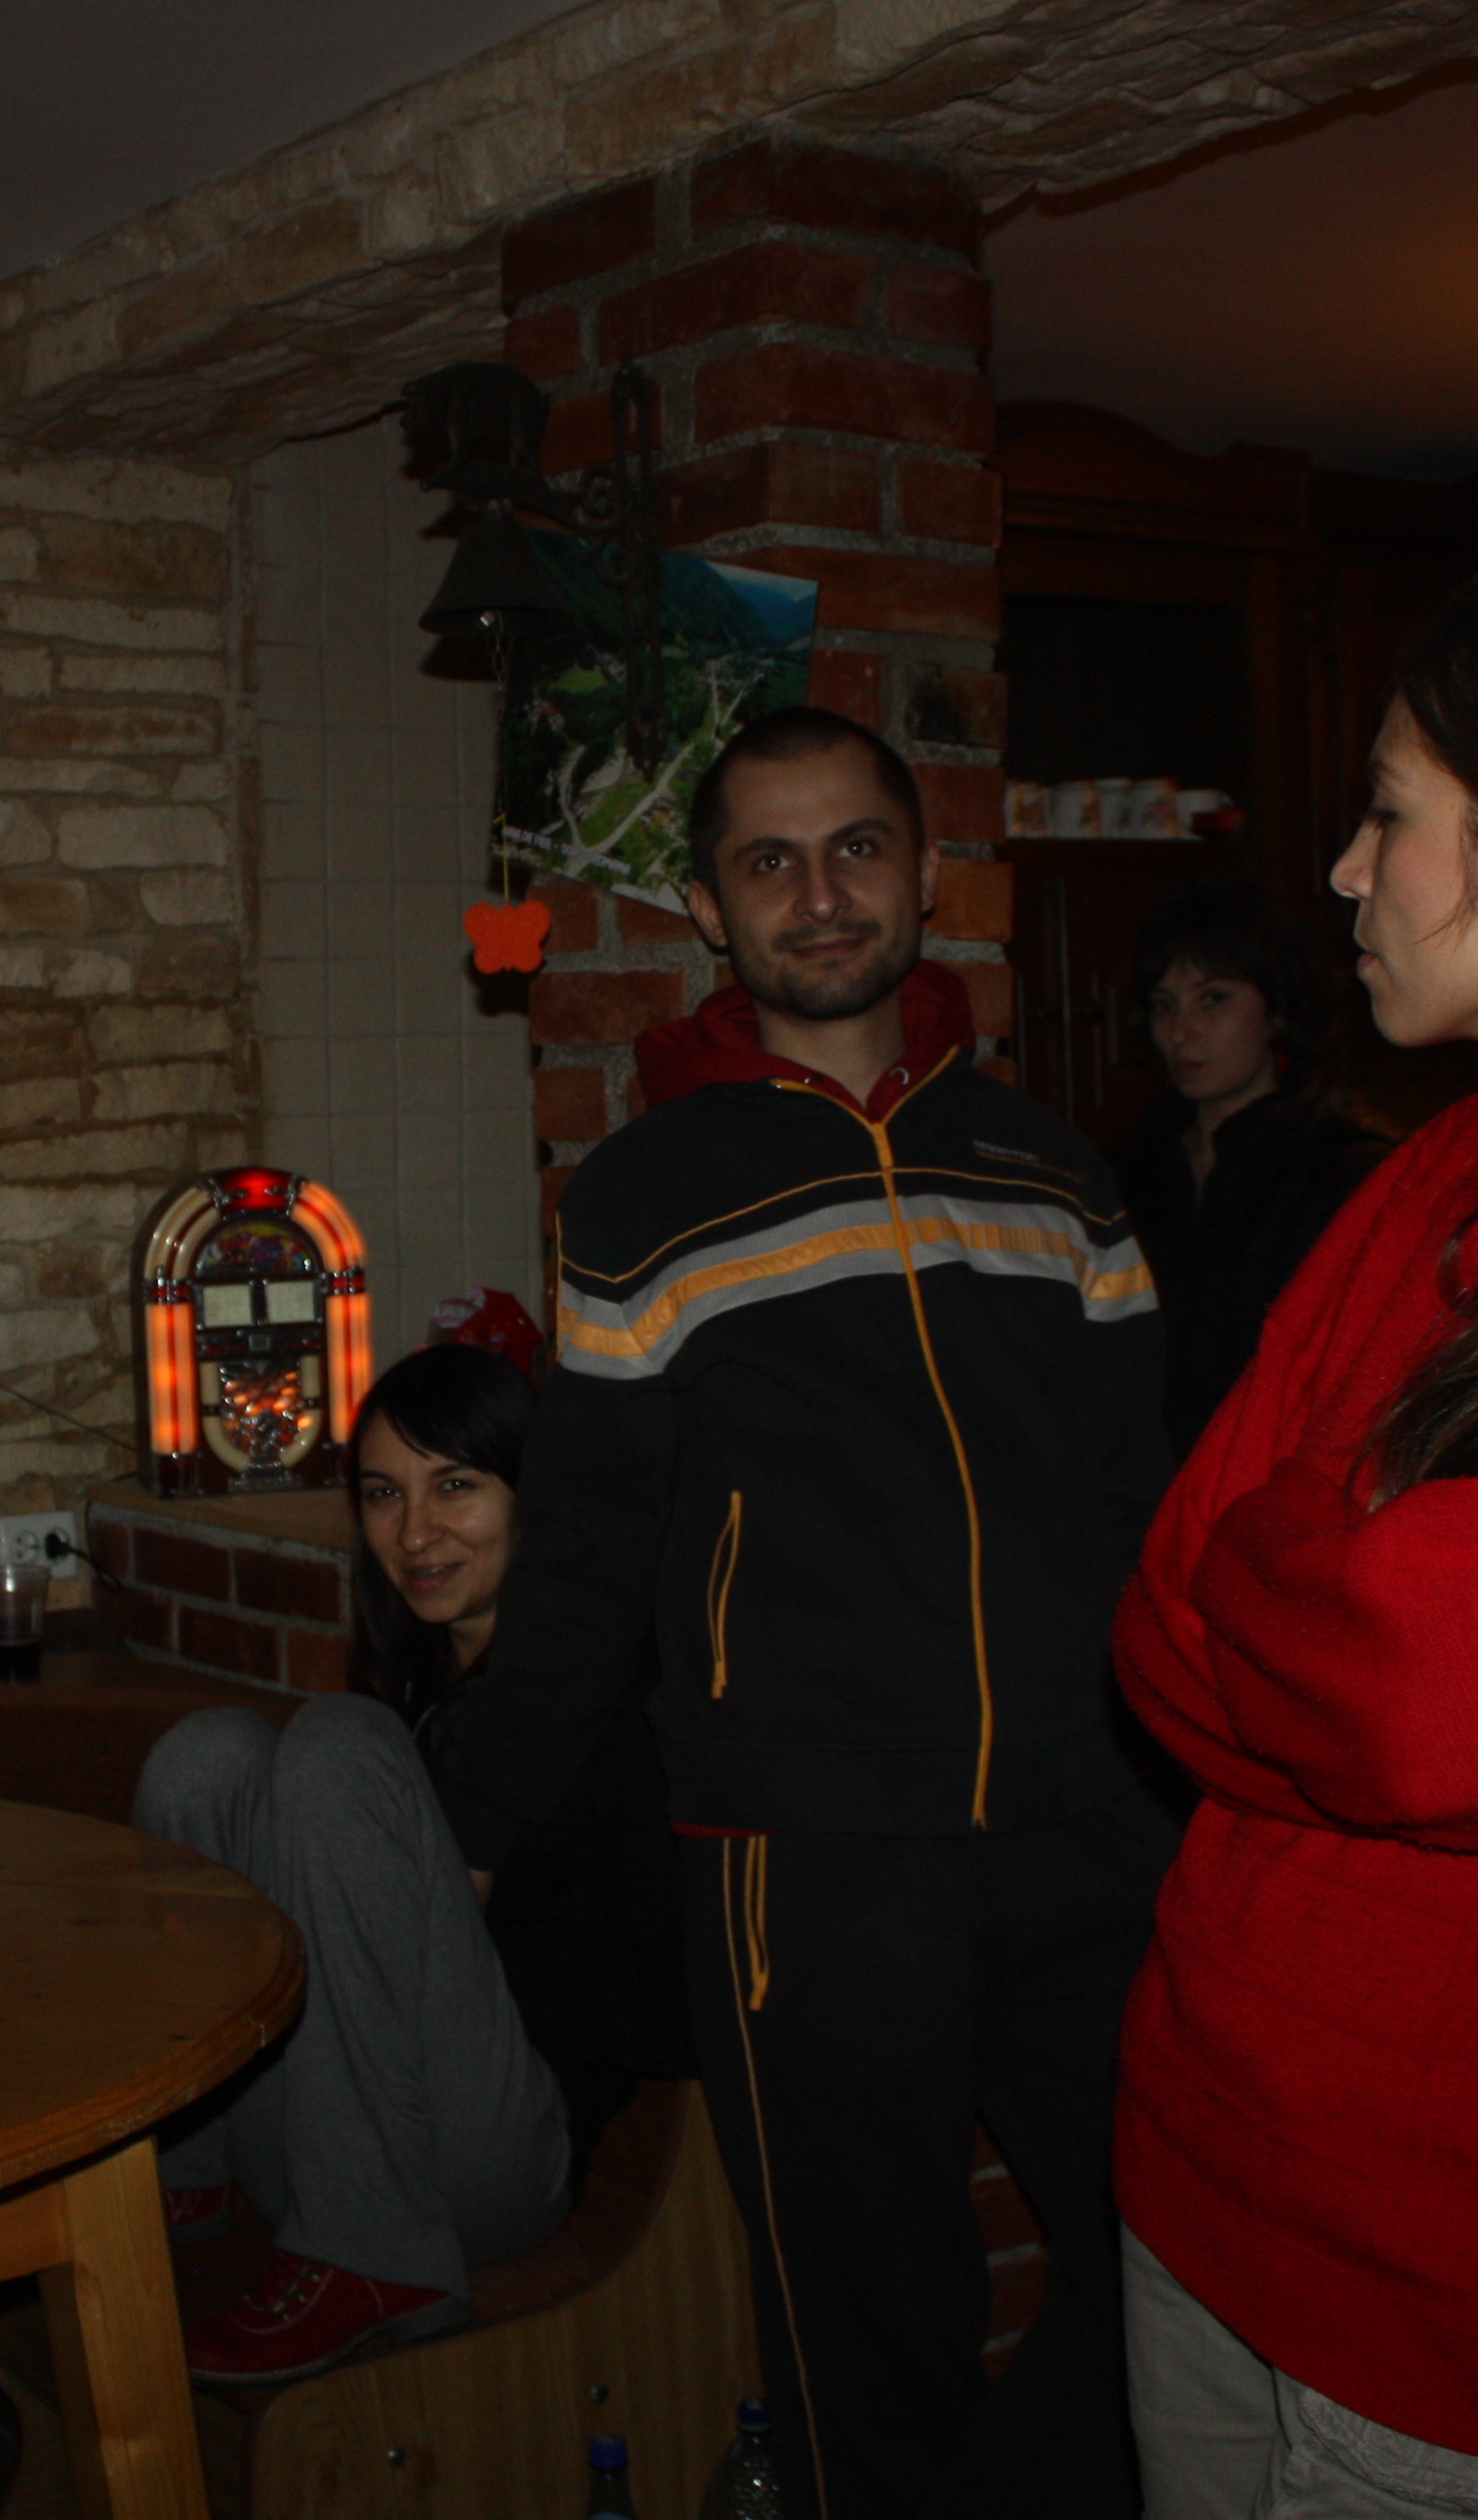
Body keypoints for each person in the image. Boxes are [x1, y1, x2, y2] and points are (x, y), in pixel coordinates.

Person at [430, 706, 1175, 2520]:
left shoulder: (1055, 1169)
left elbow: (1147, 1500)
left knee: (1175, 2274)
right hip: (809, 1863)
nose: (818, 893)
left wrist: (1192, 1782)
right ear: (708, 906)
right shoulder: (642, 1194)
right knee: (865, 2342)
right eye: (769, 859)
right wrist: (474, 1816)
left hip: (1088, 1834)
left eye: (855, 847)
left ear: (924, 871)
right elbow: (588, 1547)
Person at [1112, 545, 1478, 2519]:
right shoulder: (1442, 1165)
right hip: (1199, 2144)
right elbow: (1162, 1607)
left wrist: (1298, 1558)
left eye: (1389, 812)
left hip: (1442, 2251)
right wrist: (1321, 1580)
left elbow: (1428, 1705)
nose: (1342, 870)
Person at [138, 1342, 691, 2387]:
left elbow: (678, 1999)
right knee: (210, 1753)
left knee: (337, 1740)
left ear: (533, 1500)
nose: (415, 1531)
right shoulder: (420, 1689)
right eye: (385, 1493)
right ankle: (186, 2171)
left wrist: (455, 1959)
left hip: (493, 2160)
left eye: (456, 1486)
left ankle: (374, 2261)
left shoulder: (615, 1712)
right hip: (329, 2143)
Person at [1114, 880, 1391, 1450]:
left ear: (1277, 1009)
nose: (1181, 1032)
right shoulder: (1125, 1170)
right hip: (1142, 1480)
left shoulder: (1342, 1174)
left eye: (1213, 999)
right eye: (1164, 1005)